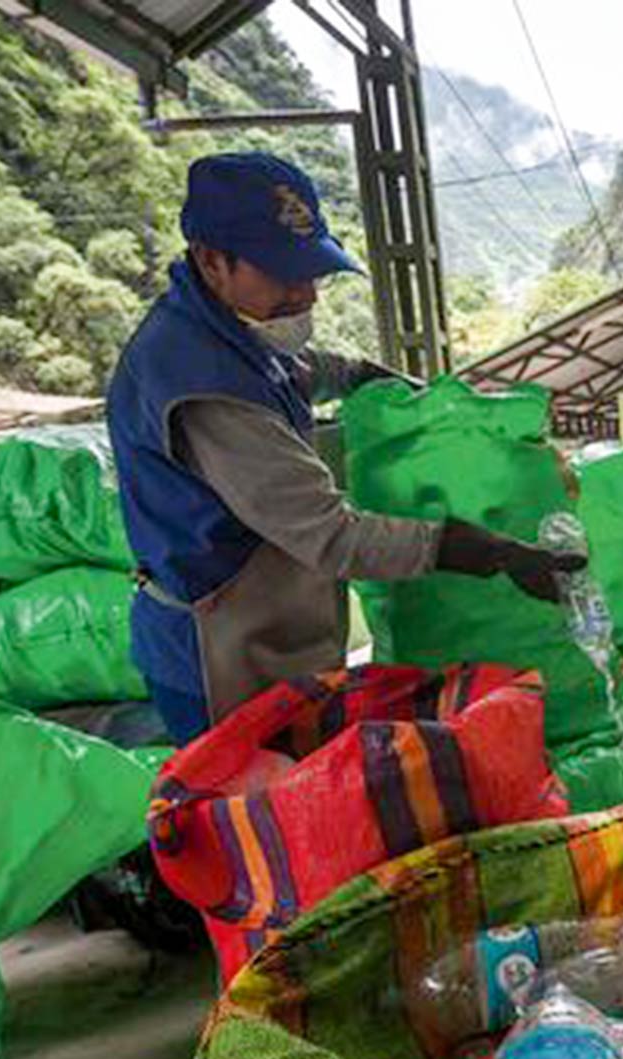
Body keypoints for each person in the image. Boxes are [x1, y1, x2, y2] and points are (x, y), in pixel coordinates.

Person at [107, 152, 579, 741]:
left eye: (311, 272)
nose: (306, 295)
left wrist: (372, 379)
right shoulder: (197, 383)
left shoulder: (228, 334)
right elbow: (332, 536)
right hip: (221, 661)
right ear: (211, 260)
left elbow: (297, 370)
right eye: (283, 274)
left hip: (275, 635)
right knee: (258, 819)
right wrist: (490, 552)